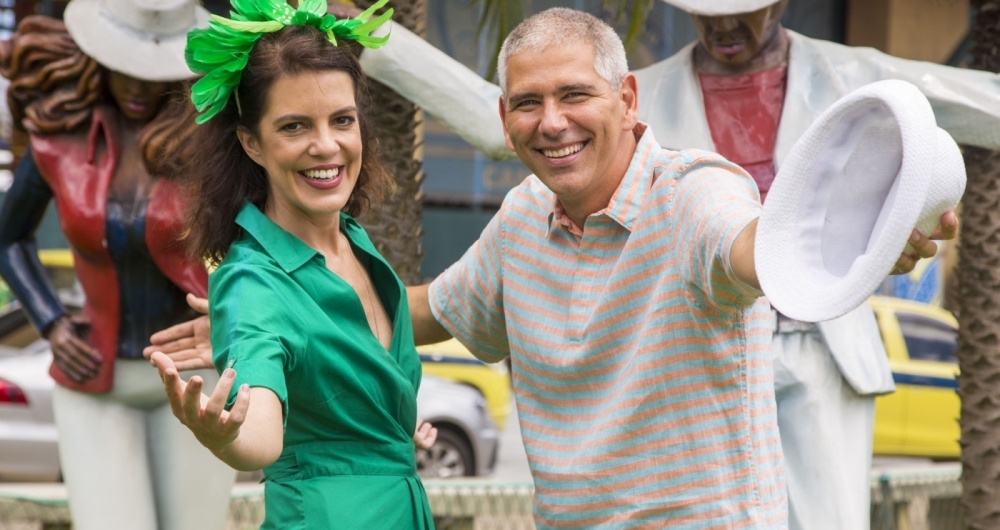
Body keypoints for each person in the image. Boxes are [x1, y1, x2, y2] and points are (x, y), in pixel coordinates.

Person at [152, 7, 958, 528]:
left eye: (575, 95)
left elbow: (757, 252)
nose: (553, 122)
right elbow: (424, 310)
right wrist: (283, 319)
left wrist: (872, 241)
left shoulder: (695, 194)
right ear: (504, 117)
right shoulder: (521, 223)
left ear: (628, 99)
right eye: (528, 103)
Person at [148, 1, 437, 528]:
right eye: (295, 126)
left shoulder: (355, 243)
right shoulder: (250, 281)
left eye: (342, 120)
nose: (326, 146)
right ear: (252, 143)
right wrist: (228, 434)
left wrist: (390, 424)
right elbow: (260, 429)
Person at [0, 2, 237, 529]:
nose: (135, 85)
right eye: (121, 64)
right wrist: (52, 323)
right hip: (95, 377)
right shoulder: (58, 147)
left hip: (196, 370)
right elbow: (7, 237)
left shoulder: (211, 146)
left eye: (150, 72)